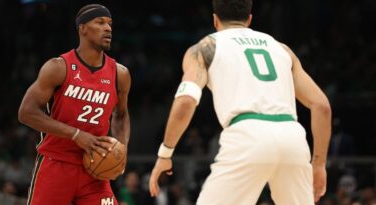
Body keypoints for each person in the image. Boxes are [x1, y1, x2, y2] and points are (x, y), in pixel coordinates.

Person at [148, 0, 331, 204]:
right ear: (250, 18)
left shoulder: (204, 48)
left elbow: (185, 103)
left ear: (215, 19)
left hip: (247, 136)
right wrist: (319, 164)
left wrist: (165, 154)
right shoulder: (282, 49)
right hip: (293, 138)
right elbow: (322, 106)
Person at [18, 4, 131, 205]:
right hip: (57, 163)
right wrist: (77, 135)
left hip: (95, 167)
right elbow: (26, 112)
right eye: (100, 22)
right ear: (83, 28)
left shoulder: (119, 74)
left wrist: (121, 150)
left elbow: (121, 115)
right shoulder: (58, 67)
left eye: (110, 24)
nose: (108, 28)